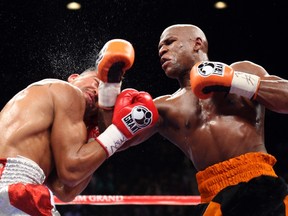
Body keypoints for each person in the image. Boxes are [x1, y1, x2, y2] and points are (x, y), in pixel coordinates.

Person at [124, 24, 288, 215]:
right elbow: (116, 140)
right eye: (160, 48)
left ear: (197, 44)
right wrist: (110, 87)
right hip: (213, 198)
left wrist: (234, 82)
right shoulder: (163, 107)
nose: (163, 50)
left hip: (261, 188)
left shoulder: (242, 70)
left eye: (170, 42)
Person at [0, 39, 158, 215]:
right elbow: (72, 172)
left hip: (17, 189)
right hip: (11, 187)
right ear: (74, 78)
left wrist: (96, 137)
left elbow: (65, 190)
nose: (96, 92)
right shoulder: (66, 90)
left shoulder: (55, 126)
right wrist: (119, 131)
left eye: (101, 95)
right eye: (97, 82)